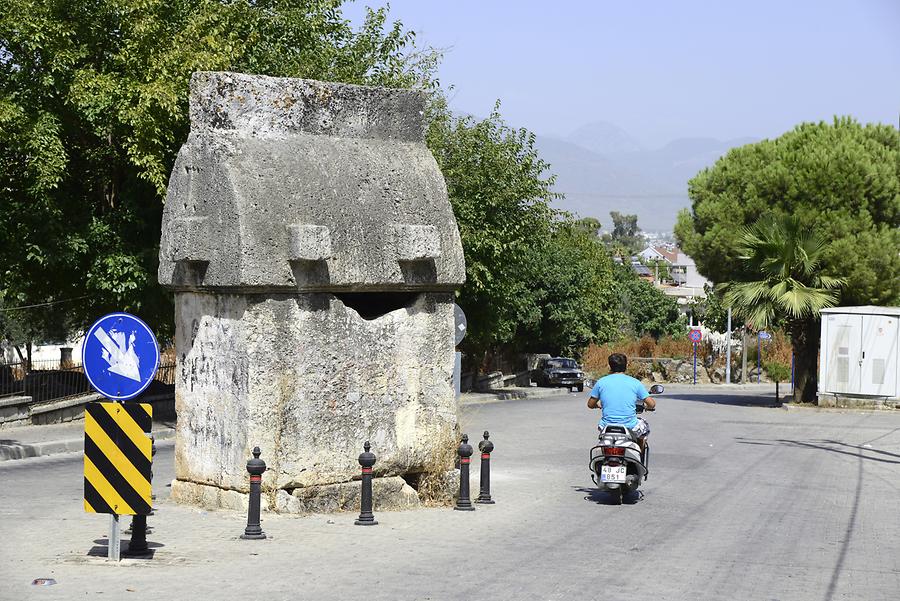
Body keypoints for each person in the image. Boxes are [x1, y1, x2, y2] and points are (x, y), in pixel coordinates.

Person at [587, 353, 656, 453]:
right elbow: (652, 404)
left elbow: (590, 404)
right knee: (643, 431)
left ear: (609, 366)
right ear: (626, 366)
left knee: (603, 439)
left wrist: (598, 405)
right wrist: (646, 407)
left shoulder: (601, 382)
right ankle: (639, 454)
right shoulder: (635, 382)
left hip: (606, 426)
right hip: (630, 426)